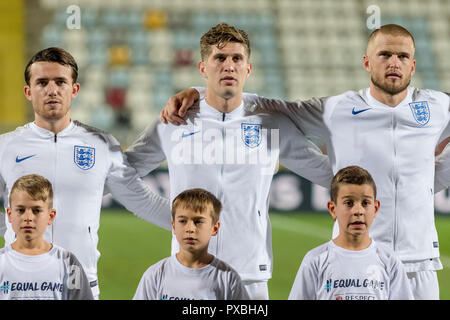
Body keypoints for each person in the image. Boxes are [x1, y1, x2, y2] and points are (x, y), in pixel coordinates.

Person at [161, 24, 449, 300]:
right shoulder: (336, 109)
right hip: (354, 258)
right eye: (384, 55)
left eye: (403, 56)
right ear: (367, 62)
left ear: (413, 65)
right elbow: (267, 107)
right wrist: (199, 93)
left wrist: (432, 180)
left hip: (419, 261)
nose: (394, 63)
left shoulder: (436, 107)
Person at [126, 23, 333, 300]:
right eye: (219, 58)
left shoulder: (271, 125)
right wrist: (169, 217)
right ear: (203, 68)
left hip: (251, 276)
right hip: (188, 274)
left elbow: (331, 175)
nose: (229, 66)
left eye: (237, 59)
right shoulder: (173, 123)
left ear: (248, 69)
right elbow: (121, 174)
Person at [0, 47, 172, 299]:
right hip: (18, 285)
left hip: (79, 284)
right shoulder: (6, 146)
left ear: (74, 90)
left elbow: (143, 201)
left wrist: (201, 224)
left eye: (60, 82)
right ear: (28, 91)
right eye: (42, 82)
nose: (52, 90)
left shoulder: (101, 145)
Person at [288, 166, 413, 300]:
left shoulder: (389, 261)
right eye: (349, 203)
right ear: (332, 209)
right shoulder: (315, 260)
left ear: (375, 208)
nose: (358, 211)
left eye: (365, 203)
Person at [133, 188, 249, 300]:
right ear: (173, 226)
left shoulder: (228, 278)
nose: (190, 229)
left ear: (215, 228)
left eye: (198, 221)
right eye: (182, 221)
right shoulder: (155, 276)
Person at [0, 174, 93, 300]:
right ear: (10, 215)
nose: (28, 218)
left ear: (51, 216)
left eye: (36, 211)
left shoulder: (67, 262)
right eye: (20, 210)